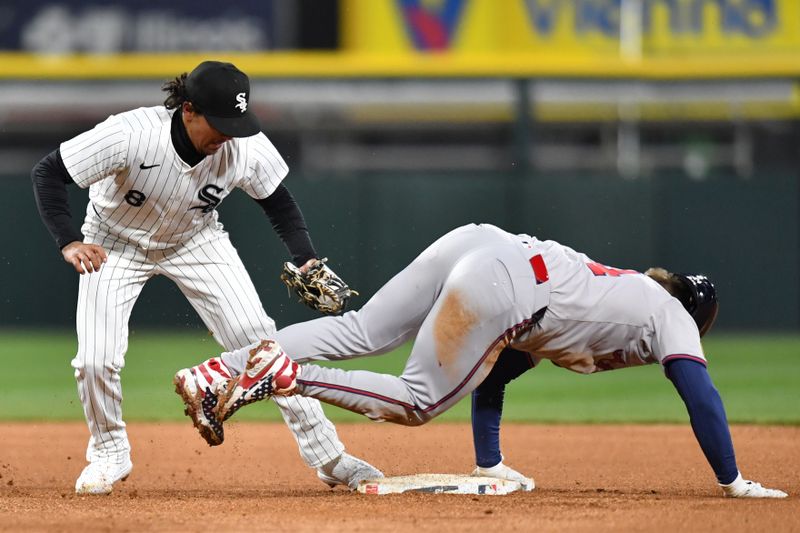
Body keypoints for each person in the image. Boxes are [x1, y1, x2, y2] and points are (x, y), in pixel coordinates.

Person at [191, 223, 787, 498]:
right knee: (417, 401)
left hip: (481, 243)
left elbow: (498, 372)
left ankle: (218, 370)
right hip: (509, 287)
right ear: (697, 314)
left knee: (362, 329)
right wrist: (733, 482)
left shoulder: (618, 298)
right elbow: (701, 395)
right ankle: (286, 375)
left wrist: (490, 462)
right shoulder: (670, 312)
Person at [31, 60, 381, 495]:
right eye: (219, 122)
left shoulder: (242, 146)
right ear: (188, 110)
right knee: (95, 360)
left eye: (236, 122)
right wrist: (69, 241)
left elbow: (279, 203)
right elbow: (48, 172)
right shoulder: (130, 133)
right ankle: (109, 452)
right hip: (112, 244)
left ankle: (329, 457)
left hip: (194, 242)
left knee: (262, 344)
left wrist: (306, 257)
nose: (227, 134)